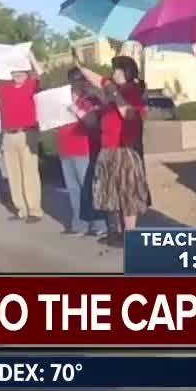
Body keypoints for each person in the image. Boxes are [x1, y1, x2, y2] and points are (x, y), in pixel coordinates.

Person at [77, 55, 149, 247]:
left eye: (118, 70)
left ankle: (130, 234)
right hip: (108, 149)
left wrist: (115, 94)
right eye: (114, 69)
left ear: (128, 72)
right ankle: (117, 232)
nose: (114, 73)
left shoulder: (132, 91)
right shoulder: (113, 90)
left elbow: (129, 114)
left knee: (128, 194)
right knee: (111, 194)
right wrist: (81, 66)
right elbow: (97, 79)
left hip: (124, 150)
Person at [0, 51, 46, 222]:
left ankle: (34, 210)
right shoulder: (4, 88)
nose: (18, 75)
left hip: (27, 133)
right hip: (8, 135)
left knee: (29, 173)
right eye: (15, 73)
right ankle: (21, 209)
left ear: (26, 73)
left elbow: (41, 74)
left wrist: (31, 56)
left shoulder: (32, 85)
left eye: (21, 72)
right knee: (13, 173)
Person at [57, 68, 109, 237]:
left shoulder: (90, 99)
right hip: (65, 148)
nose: (77, 83)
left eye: (80, 80)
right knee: (73, 189)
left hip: (84, 148)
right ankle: (80, 225)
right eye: (73, 80)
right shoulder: (61, 100)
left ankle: (99, 224)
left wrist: (77, 111)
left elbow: (93, 122)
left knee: (89, 187)